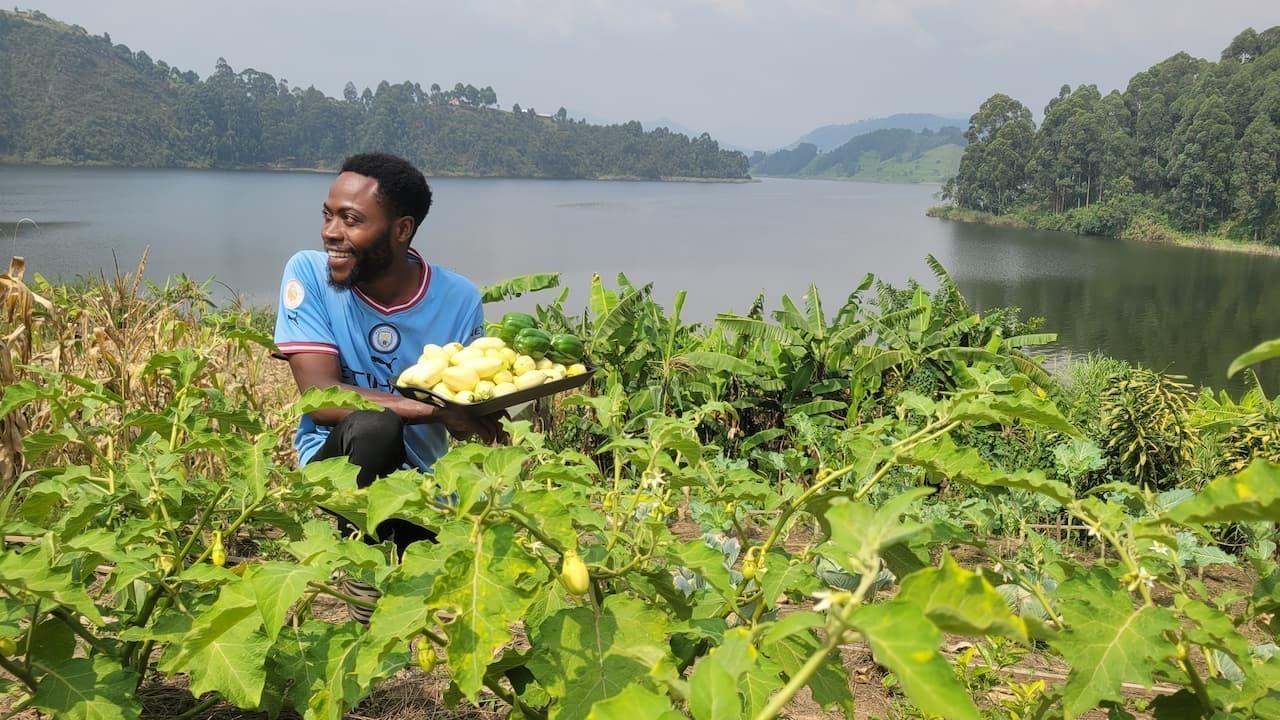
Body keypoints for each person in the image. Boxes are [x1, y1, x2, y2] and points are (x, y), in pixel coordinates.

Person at [273, 152, 503, 619]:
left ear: (402, 229)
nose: (331, 232)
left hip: (421, 481)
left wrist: (481, 425)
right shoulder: (309, 274)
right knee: (375, 426)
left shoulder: (457, 298)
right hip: (336, 467)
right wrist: (434, 411)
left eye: (351, 220)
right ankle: (362, 565)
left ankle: (405, 544)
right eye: (328, 215)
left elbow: (477, 413)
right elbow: (321, 399)